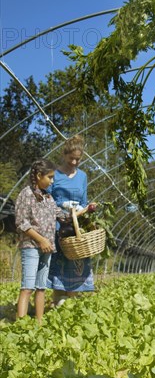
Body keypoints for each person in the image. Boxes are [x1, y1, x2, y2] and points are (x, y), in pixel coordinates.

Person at [47, 134, 95, 305]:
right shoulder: (55, 174)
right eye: (71, 158)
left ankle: (71, 301)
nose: (74, 162)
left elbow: (84, 200)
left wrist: (86, 209)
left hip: (76, 224)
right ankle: (57, 299)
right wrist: (62, 205)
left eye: (78, 159)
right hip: (59, 224)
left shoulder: (82, 176)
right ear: (64, 154)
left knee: (76, 259)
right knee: (60, 259)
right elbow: (47, 198)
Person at [15, 159, 65, 322]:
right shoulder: (26, 194)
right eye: (49, 177)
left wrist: (83, 211)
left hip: (47, 248)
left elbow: (61, 215)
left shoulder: (48, 198)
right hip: (31, 246)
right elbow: (22, 223)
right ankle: (21, 325)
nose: (52, 181)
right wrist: (41, 240)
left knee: (41, 287)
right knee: (27, 287)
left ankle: (39, 323)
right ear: (38, 175)